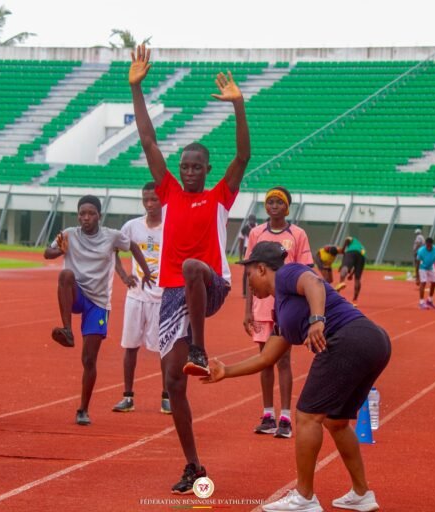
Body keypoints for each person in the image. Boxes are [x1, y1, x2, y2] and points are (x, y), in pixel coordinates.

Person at [130, 43, 250, 494]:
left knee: (194, 266)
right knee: (172, 383)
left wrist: (238, 106)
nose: (189, 171)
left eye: (197, 166)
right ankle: (194, 465)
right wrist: (137, 89)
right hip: (173, 294)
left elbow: (243, 157)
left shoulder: (220, 196)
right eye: (185, 166)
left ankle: (199, 348)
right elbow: (148, 141)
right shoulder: (169, 194)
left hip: (210, 283)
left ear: (207, 169)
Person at [204, 241, 391, 512]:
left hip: (350, 338)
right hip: (373, 342)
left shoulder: (287, 274)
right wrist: (226, 371)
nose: (249, 283)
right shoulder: (281, 310)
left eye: (249, 275)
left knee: (306, 416)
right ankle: (362, 494)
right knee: (336, 421)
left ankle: (304, 497)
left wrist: (317, 320)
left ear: (262, 269)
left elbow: (314, 283)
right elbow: (266, 358)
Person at [44, 195, 152, 426]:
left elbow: (132, 246)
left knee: (89, 359)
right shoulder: (69, 234)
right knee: (65, 275)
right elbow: (47, 253)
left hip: (98, 303)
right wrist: (59, 250)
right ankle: (67, 330)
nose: (86, 218)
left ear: (99, 216)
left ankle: (83, 409)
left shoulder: (111, 236)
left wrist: (146, 271)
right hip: (77, 294)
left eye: (91, 213)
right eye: (82, 214)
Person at [243, 187, 313, 439]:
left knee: (283, 359)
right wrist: (247, 310)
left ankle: (285, 417)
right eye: (270, 202)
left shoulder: (297, 234)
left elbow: (306, 272)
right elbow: (250, 273)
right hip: (261, 306)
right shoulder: (256, 233)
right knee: (264, 360)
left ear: (287, 207)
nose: (274, 206)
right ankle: (267, 414)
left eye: (279, 202)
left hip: (286, 306)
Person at [111, 182, 171, 414]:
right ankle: (127, 397)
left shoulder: (171, 226)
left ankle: (166, 397)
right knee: (130, 346)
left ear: (163, 200)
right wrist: (124, 275)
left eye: (154, 199)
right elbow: (113, 250)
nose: (149, 204)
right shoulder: (132, 226)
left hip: (162, 297)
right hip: (135, 296)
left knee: (164, 349)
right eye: (145, 199)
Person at [337, 236, 367, 305]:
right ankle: (355, 299)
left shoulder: (353, 240)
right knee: (357, 279)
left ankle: (341, 282)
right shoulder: (362, 248)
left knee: (345, 267)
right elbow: (356, 266)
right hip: (362, 256)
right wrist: (351, 274)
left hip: (351, 252)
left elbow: (347, 239)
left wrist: (343, 249)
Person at [415, 237, 435, 310]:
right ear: (425, 244)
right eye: (427, 245)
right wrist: (417, 277)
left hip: (431, 266)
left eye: (430, 245)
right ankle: (421, 302)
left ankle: (429, 300)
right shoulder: (421, 251)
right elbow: (417, 264)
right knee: (423, 282)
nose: (428, 247)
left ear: (432, 244)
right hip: (422, 267)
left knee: (434, 282)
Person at [239, 214, 257, 297]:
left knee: (257, 271)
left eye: (253, 222)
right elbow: (241, 242)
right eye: (250, 222)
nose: (252, 224)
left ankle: (256, 290)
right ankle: (244, 292)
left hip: (256, 250)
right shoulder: (245, 228)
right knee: (246, 272)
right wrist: (240, 257)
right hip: (247, 250)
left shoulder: (258, 227)